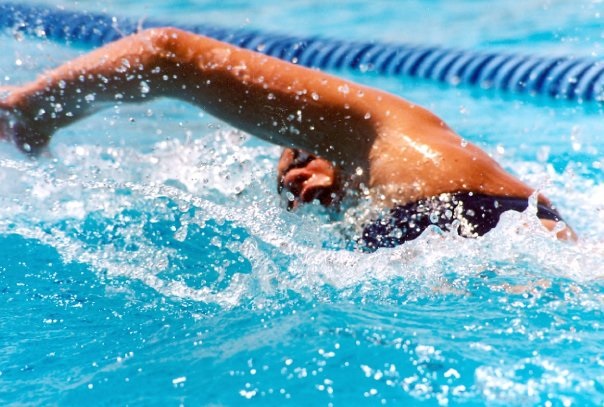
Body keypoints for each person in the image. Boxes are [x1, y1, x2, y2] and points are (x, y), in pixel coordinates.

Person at [0, 27, 575, 248]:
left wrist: (30, 111)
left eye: (298, 154)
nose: (296, 180)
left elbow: (167, 53)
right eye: (286, 186)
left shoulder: (384, 129)